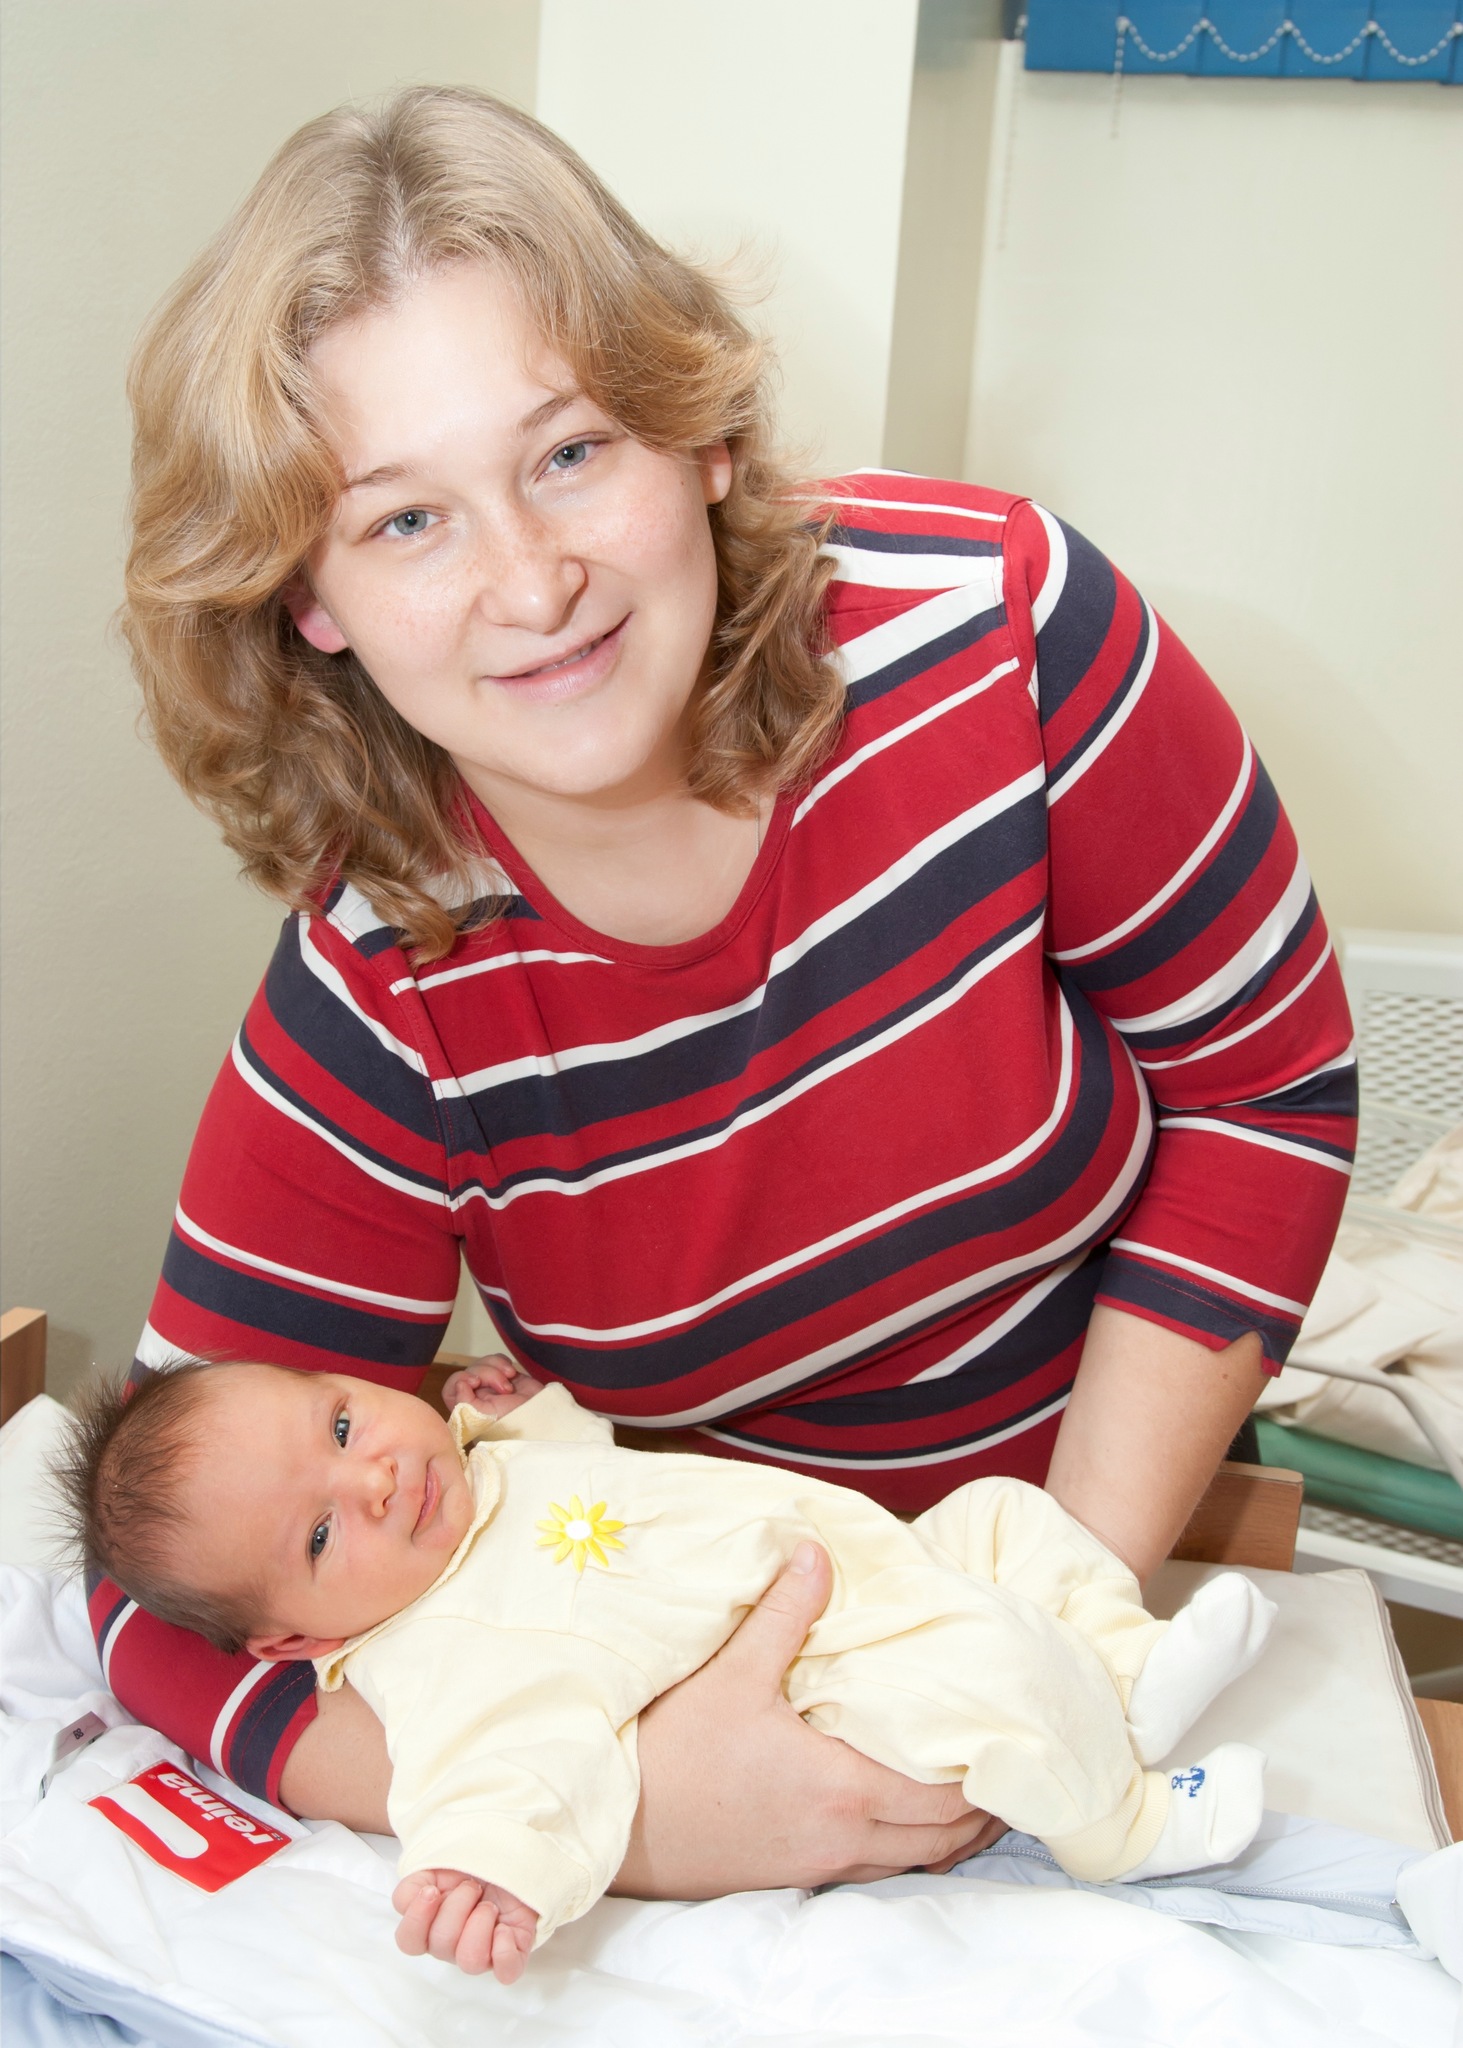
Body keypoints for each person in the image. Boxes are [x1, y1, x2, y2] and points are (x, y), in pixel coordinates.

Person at [98, 84, 1355, 1909]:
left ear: (694, 433)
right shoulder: (379, 986)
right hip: (720, 1666)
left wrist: (1055, 1615)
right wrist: (627, 1809)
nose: (531, 583)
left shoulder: (1006, 638)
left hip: (1101, 1533)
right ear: (312, 602)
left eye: (567, 452)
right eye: (405, 521)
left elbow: (1263, 1087)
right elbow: (159, 1586)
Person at [67, 1353, 1277, 1981]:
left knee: (1009, 1518)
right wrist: (481, 1873)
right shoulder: (437, 1655)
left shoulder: (482, 1462)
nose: (373, 1475)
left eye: (340, 1423)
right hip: (828, 1672)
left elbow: (585, 1462)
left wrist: (522, 1403)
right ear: (295, 1641)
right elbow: (494, 1774)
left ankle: (1127, 1669)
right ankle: (1118, 1822)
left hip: (879, 1557)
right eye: (321, 1534)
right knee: (983, 1670)